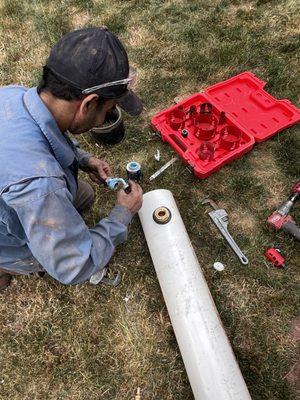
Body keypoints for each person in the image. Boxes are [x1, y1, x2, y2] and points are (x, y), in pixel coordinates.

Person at [0, 27, 143, 291]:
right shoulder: (40, 187)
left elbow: (40, 133)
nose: (103, 120)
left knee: (84, 194)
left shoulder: (12, 95)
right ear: (88, 104)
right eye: (107, 111)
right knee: (57, 254)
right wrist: (123, 214)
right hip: (8, 232)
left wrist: (84, 159)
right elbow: (75, 265)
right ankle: (8, 264)